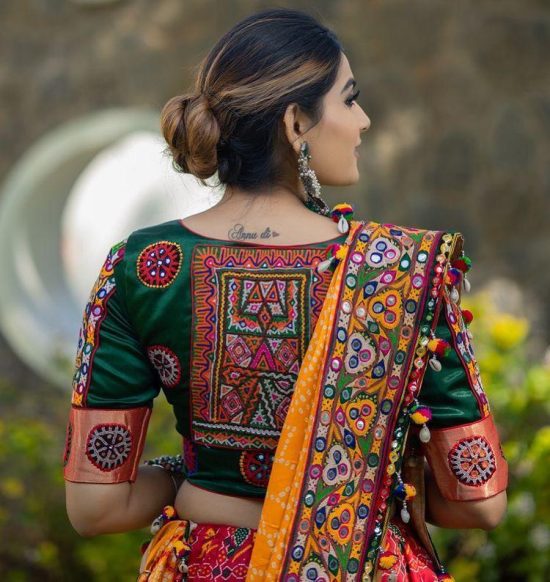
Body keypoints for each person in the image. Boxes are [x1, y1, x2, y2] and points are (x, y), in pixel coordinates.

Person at [62, 8, 508, 581]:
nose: (365, 121)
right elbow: (477, 500)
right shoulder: (398, 274)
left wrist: (190, 474)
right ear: (296, 123)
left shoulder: (148, 267)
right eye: (349, 100)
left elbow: (96, 507)